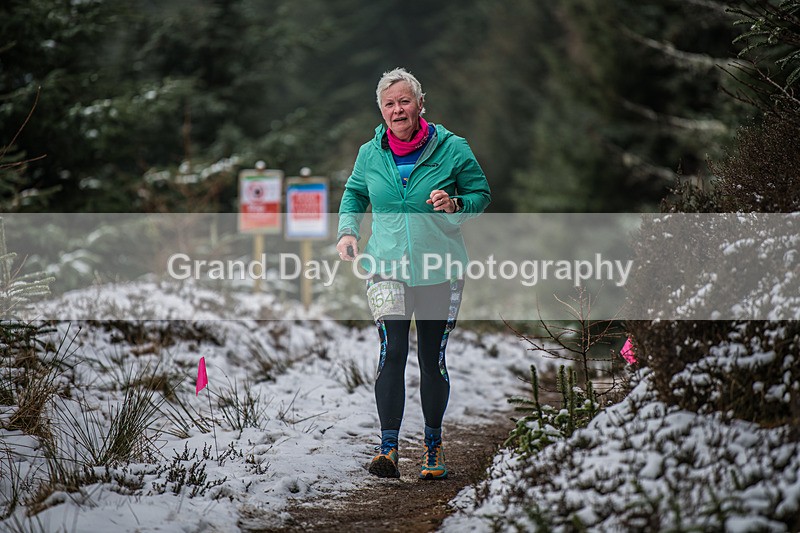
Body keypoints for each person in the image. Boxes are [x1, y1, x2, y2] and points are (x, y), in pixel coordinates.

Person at [336, 67, 490, 480]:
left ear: (421, 104)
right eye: (389, 104)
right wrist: (348, 232)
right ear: (381, 111)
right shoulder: (371, 153)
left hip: (440, 269)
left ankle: (433, 445)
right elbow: (354, 193)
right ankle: (387, 450)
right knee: (392, 351)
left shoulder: (452, 148)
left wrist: (456, 204)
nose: (397, 109)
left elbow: (481, 193)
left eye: (405, 101)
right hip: (386, 268)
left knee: (430, 358)